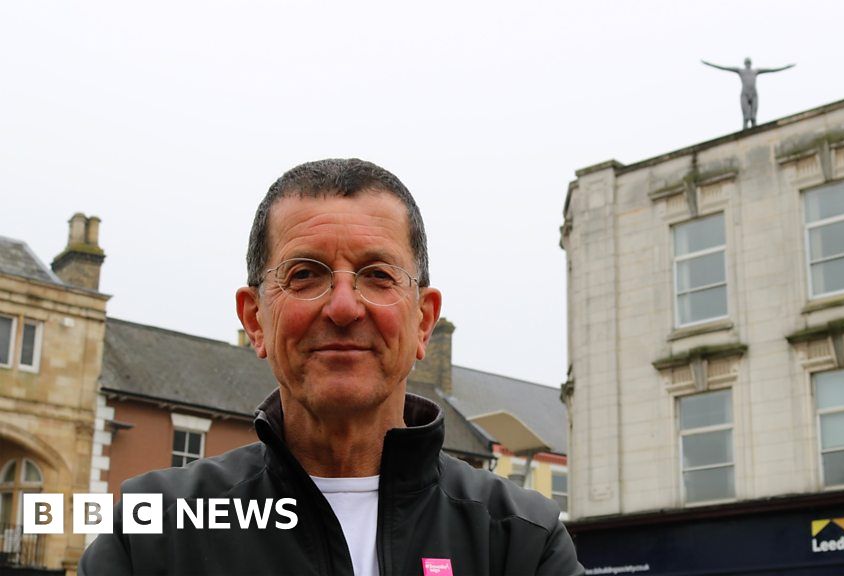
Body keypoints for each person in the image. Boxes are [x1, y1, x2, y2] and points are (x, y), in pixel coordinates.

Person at [80, 159, 584, 575]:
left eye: (378, 275)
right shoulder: (146, 533)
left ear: (423, 322)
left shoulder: (521, 539)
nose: (343, 307)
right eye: (304, 275)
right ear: (255, 320)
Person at [701, 57, 795, 129]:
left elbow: (771, 70)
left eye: (749, 62)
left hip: (754, 93)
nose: (748, 64)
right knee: (746, 117)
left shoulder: (755, 71)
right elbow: (724, 68)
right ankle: (745, 132)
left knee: (753, 117)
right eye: (747, 63)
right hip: (745, 94)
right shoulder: (740, 71)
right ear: (745, 63)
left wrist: (785, 67)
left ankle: (755, 132)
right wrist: (709, 64)